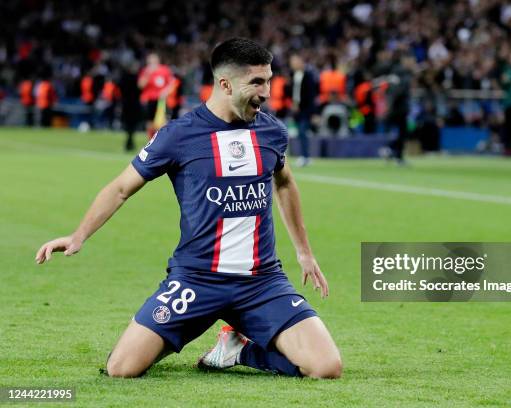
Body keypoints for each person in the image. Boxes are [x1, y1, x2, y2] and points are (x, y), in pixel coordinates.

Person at [35, 38, 342, 380]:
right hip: (196, 280)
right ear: (225, 84)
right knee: (122, 369)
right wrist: (79, 235)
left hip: (261, 282)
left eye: (268, 80)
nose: (267, 91)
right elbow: (121, 188)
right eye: (256, 82)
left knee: (326, 367)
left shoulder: (272, 133)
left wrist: (304, 252)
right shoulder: (178, 136)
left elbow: (284, 183)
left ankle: (239, 350)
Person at [289, 53, 318, 167]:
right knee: (300, 133)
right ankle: (304, 156)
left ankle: (305, 156)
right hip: (296, 110)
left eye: (295, 61)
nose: (293, 64)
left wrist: (314, 113)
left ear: (301, 62)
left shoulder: (308, 75)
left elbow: (312, 95)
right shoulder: (293, 75)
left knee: (302, 132)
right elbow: (293, 93)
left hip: (306, 109)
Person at [138, 53, 174, 139]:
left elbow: (172, 83)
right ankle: (150, 141)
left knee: (162, 121)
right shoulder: (146, 71)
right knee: (150, 122)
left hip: (161, 100)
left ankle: (162, 141)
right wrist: (148, 74)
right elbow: (140, 85)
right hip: (149, 100)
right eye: (150, 60)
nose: (152, 62)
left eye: (154, 60)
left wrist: (165, 91)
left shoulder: (164, 70)